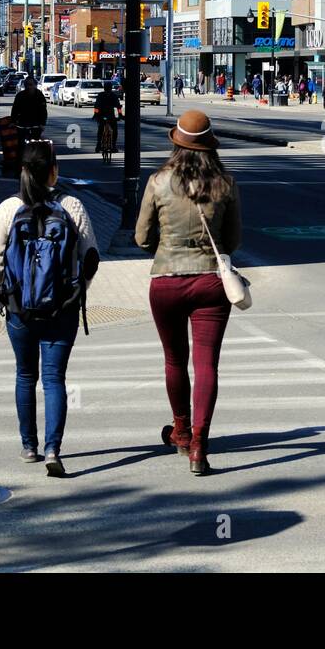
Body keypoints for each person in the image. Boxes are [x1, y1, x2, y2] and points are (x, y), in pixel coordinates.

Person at [135, 110, 242, 476]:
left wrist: (165, 250)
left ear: (176, 144)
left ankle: (180, 431)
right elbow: (233, 240)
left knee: (174, 360)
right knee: (207, 363)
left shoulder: (158, 181)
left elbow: (141, 237)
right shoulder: (224, 182)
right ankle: (200, 444)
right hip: (211, 282)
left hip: (166, 280)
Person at [0, 140, 99, 477]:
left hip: (19, 311)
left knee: (25, 375)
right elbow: (90, 257)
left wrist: (5, 291)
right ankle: (53, 449)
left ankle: (28, 446)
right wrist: (76, 292)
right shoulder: (72, 205)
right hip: (61, 310)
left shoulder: (8, 208)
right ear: (53, 171)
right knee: (54, 379)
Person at [11, 77, 47, 147]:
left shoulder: (39, 95)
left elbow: (43, 110)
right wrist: (13, 121)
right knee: (21, 144)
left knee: (35, 144)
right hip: (22, 124)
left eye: (31, 84)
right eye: (27, 85)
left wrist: (43, 123)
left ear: (35, 85)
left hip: (36, 124)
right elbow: (15, 109)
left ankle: (35, 156)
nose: (29, 87)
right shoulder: (20, 95)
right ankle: (21, 156)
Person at [93, 82, 123, 162]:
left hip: (102, 115)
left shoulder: (101, 95)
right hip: (109, 115)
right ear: (110, 88)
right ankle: (113, 145)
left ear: (104, 88)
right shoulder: (113, 95)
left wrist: (95, 115)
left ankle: (99, 144)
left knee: (101, 128)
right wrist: (120, 115)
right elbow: (118, 107)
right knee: (114, 130)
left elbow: (96, 106)